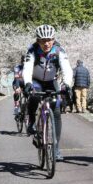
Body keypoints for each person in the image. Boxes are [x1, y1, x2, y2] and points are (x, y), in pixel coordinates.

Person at [22, 24, 73, 161]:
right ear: (38, 41)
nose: (46, 43)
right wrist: (27, 83)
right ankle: (32, 121)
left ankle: (55, 148)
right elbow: (27, 68)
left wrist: (67, 85)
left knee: (56, 111)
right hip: (36, 80)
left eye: (49, 40)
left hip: (51, 81)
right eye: (43, 41)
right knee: (33, 95)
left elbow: (67, 69)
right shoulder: (32, 50)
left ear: (53, 39)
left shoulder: (59, 50)